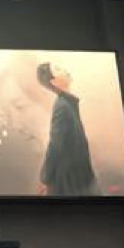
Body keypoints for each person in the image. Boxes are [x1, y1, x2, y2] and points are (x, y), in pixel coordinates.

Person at [36, 61, 98, 196]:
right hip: (74, 185)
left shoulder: (68, 104)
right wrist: (45, 178)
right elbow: (55, 145)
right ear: (54, 82)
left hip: (81, 180)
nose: (64, 70)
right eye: (58, 69)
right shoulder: (62, 107)